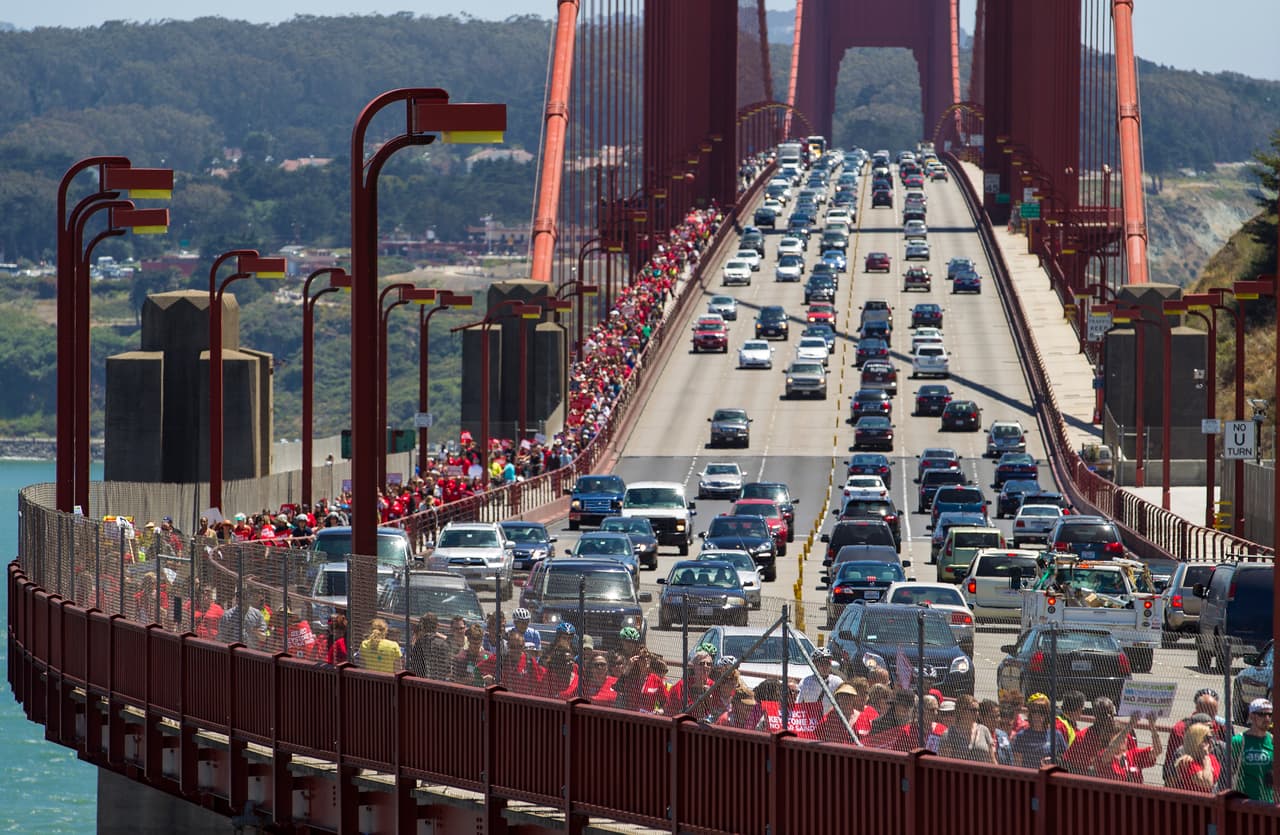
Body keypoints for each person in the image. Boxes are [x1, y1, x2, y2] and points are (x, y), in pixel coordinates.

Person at [1063, 698, 1162, 781]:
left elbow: (1154, 752)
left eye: (1111, 713)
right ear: (1095, 715)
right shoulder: (1082, 737)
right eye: (1104, 713)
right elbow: (1068, 765)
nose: (1109, 717)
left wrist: (1152, 725)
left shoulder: (1127, 739)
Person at [1164, 687, 1228, 786]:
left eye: (1214, 711)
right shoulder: (1182, 749)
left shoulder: (1221, 734)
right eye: (1208, 710)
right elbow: (1169, 778)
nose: (1210, 733)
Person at [1231, 698, 1275, 802]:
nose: (1267, 718)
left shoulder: (1274, 741)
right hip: (1243, 803)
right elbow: (1226, 773)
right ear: (1251, 716)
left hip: (1268, 804)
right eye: (1262, 714)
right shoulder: (1239, 741)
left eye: (1270, 715)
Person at [1010, 694, 1068, 768]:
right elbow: (1017, 764)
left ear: (1046, 714)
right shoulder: (1022, 736)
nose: (1037, 715)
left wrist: (1054, 760)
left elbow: (1064, 758)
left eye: (1041, 711)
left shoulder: (1056, 735)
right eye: (1034, 711)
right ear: (1030, 713)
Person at [940, 694, 997, 763]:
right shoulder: (949, 734)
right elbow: (943, 762)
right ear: (961, 711)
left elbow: (992, 759)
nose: (977, 713)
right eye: (973, 710)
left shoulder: (984, 730)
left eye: (978, 710)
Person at [1169, 722, 1220, 792]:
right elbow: (1207, 782)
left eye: (1211, 738)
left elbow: (1217, 779)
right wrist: (1205, 757)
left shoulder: (1212, 758)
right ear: (1197, 741)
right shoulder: (1187, 761)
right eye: (1207, 738)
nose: (1211, 741)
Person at [797, 647, 843, 712]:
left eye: (827, 663)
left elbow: (844, 703)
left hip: (829, 719)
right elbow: (798, 703)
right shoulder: (806, 682)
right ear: (814, 665)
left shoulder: (837, 682)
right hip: (810, 718)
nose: (825, 667)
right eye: (821, 664)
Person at [407, 613, 450, 680]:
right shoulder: (443, 644)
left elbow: (413, 665)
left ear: (423, 626)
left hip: (421, 682)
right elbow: (447, 668)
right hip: (439, 683)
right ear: (437, 626)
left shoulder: (419, 643)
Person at [979, 698, 1014, 765]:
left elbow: (1010, 761)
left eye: (998, 716)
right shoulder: (976, 735)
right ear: (981, 717)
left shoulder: (1003, 735)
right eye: (992, 717)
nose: (996, 720)